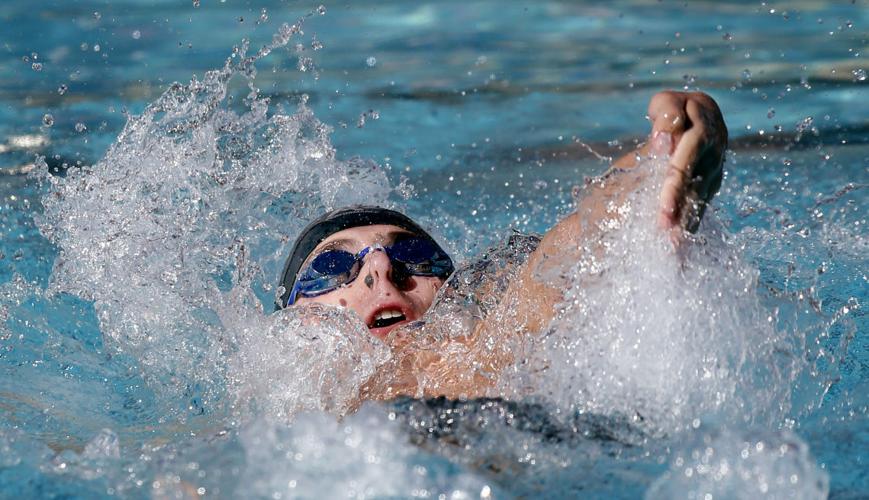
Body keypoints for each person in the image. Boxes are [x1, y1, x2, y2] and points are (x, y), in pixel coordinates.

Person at [275, 90, 728, 400]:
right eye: (333, 266)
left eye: (413, 256)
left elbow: (553, 271)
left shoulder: (496, 360)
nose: (380, 266)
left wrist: (653, 170)